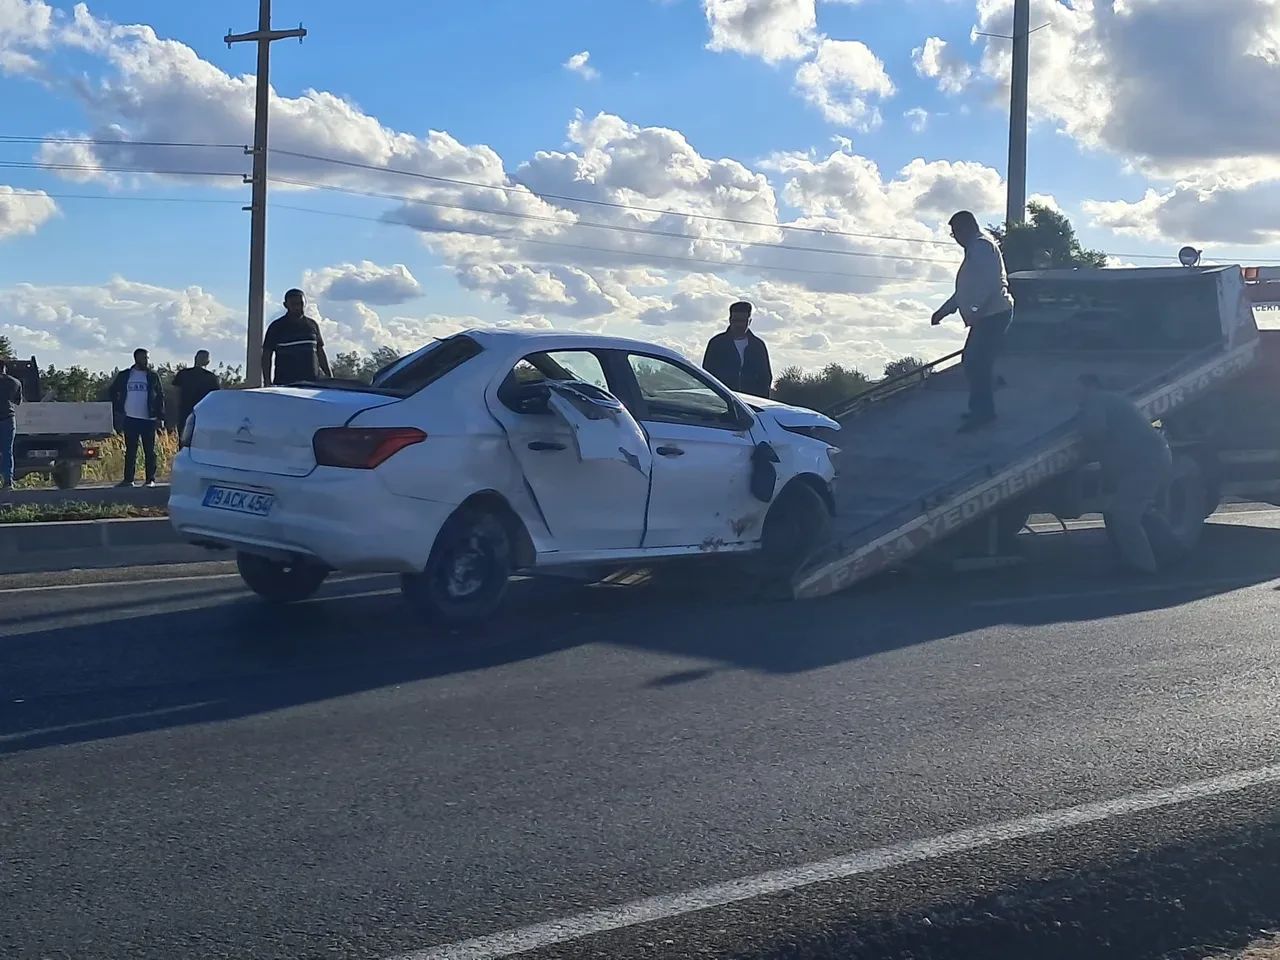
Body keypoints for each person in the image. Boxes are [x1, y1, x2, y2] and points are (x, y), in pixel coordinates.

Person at [1076, 373, 1175, 574]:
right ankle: (1174, 552)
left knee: (1124, 515)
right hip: (1151, 459)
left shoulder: (1097, 399)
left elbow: (1097, 432)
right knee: (1140, 511)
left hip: (1146, 463)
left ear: (1089, 386)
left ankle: (1142, 567)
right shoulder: (1111, 399)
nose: (1074, 394)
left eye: (1077, 388)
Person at [931, 210, 1016, 433]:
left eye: (955, 232)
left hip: (993, 313)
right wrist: (944, 311)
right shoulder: (976, 248)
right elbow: (965, 291)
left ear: (966, 228)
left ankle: (984, 411)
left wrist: (977, 309)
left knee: (977, 362)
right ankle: (980, 407)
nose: (955, 238)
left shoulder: (981, 247)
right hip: (987, 315)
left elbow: (990, 283)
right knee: (973, 360)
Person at [108, 348, 165, 488]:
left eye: (147, 358)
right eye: (143, 358)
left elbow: (160, 396)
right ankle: (128, 480)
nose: (146, 360)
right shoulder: (125, 375)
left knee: (149, 451)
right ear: (136, 358)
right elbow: (112, 391)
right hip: (130, 418)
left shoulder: (152, 376)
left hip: (148, 419)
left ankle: (150, 479)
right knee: (131, 450)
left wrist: (160, 416)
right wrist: (118, 408)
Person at [701, 300, 773, 398]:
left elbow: (765, 378)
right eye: (736, 320)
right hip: (723, 402)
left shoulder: (758, 346)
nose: (739, 325)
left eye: (742, 321)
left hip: (751, 403)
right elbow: (707, 376)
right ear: (730, 320)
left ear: (750, 321)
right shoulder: (716, 344)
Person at [262, 288, 332, 386]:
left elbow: (320, 352)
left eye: (300, 304)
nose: (298, 307)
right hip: (285, 383)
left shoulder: (312, 325)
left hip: (312, 382)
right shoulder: (276, 327)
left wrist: (329, 377)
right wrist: (267, 381)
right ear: (286, 305)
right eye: (293, 304)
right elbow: (266, 355)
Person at [172, 350, 220, 435]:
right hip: (202, 413)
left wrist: (176, 408)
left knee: (183, 439)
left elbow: (175, 392)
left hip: (185, 411)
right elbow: (215, 397)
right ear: (207, 362)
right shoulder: (211, 377)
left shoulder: (183, 373)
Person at [0, 360, 23, 490]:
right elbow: (17, 401)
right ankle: (8, 482)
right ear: (5, 369)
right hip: (8, 418)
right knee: (7, 451)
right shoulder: (15, 382)